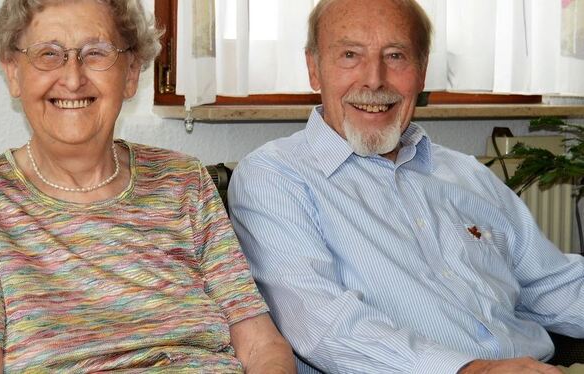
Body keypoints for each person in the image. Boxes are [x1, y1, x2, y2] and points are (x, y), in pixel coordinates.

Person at [0, 0, 295, 372]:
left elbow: (260, 344)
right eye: (48, 54)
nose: (73, 78)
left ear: (132, 73)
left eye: (96, 53)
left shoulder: (184, 181)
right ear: (13, 72)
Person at [228, 0, 584, 373]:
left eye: (395, 56)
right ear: (314, 69)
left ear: (422, 70)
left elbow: (555, 285)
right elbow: (324, 327)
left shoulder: (467, 175)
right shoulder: (275, 178)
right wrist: (470, 369)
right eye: (350, 55)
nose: (374, 79)